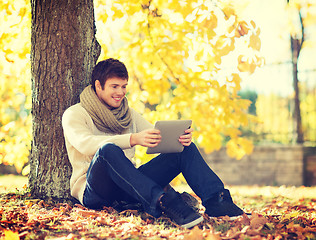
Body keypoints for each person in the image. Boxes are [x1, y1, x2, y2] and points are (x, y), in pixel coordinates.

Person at [62, 58, 245, 229]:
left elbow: (156, 136)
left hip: (130, 188)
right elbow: (85, 144)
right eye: (114, 86)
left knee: (183, 149)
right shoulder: (75, 113)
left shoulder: (128, 114)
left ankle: (217, 202)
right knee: (107, 151)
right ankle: (165, 202)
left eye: (124, 86)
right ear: (98, 86)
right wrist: (133, 139)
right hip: (95, 192)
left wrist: (178, 139)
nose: (120, 92)